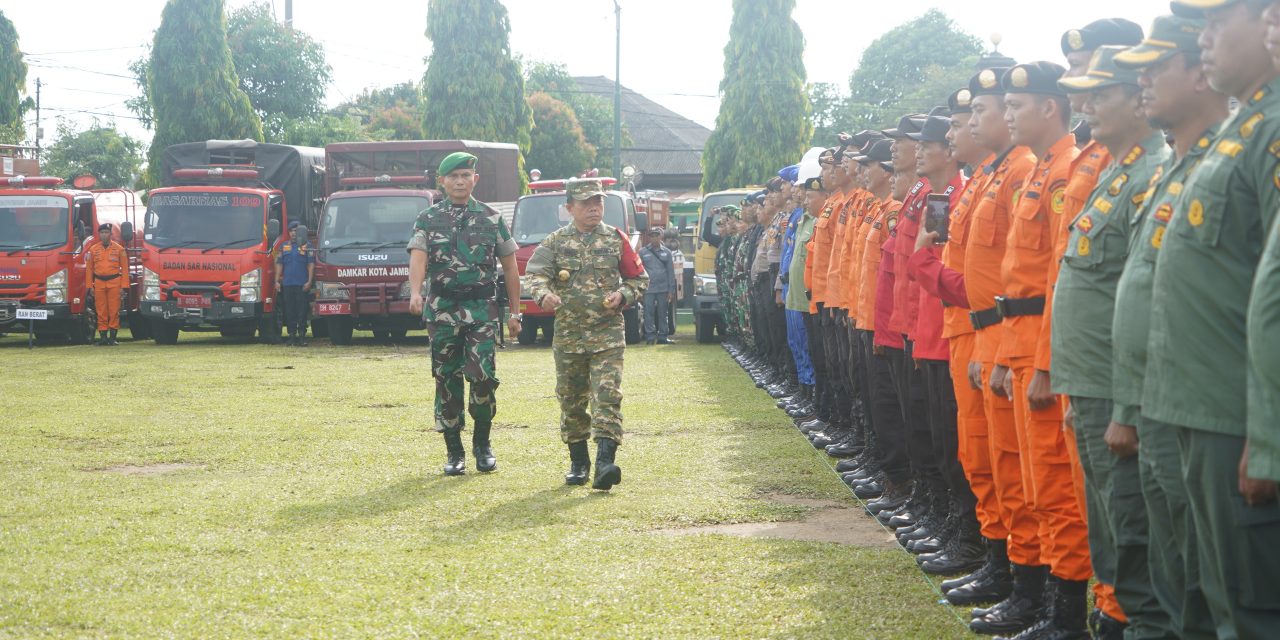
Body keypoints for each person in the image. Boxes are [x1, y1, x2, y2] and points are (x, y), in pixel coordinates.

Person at [1146, 0, 1280, 635]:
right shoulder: (1237, 131)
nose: (1205, 38)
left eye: (1218, 22)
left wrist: (1272, 436)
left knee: (1249, 609)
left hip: (1239, 417)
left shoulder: (1271, 131)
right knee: (1209, 595)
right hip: (1198, 410)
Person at [1056, 45, 1172, 639]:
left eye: (1102, 93)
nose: (1087, 103)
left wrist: (1126, 408)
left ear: (1136, 97)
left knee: (1133, 544)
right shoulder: (1116, 172)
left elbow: (1146, 304)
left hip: (1120, 395)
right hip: (1093, 386)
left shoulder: (1151, 173)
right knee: (1111, 539)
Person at [1112, 15, 1223, 637]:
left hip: (1208, 410)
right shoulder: (1172, 170)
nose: (1143, 80)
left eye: (1158, 67)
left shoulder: (1231, 157)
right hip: (1156, 399)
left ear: (1200, 70)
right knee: (1170, 566)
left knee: (1216, 587)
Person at [993, 61, 1091, 638]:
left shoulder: (1064, 172)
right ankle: (1040, 599)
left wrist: (1046, 361)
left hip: (1047, 345)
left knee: (1055, 485)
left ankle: (1066, 615)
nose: (1007, 115)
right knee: (1030, 481)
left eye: (1015, 104)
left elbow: (1059, 279)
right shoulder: (1042, 172)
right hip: (1021, 338)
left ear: (1049, 108)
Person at [524, 178, 649, 490]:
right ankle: (579, 461)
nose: (594, 208)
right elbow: (535, 275)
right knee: (572, 400)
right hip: (569, 336)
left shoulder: (615, 239)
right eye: (585, 203)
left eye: (598, 202)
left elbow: (639, 279)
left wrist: (623, 294)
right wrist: (544, 295)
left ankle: (606, 462)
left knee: (607, 396)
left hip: (607, 335)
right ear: (569, 209)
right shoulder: (555, 242)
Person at [407, 152, 523, 476]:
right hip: (442, 310)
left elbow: (511, 267)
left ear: (475, 179)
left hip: (481, 311)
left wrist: (516, 313)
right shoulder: (427, 219)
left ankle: (483, 444)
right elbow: (418, 256)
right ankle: (454, 451)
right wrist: (415, 292)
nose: (460, 181)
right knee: (447, 379)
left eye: (466, 175)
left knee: (483, 376)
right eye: (454, 176)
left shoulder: (491, 217)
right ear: (442, 181)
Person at [85, 223, 127, 346]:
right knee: (100, 310)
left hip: (114, 282)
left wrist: (123, 287)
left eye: (106, 232)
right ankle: (103, 337)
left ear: (111, 234)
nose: (104, 235)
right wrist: (89, 286)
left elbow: (124, 269)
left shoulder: (119, 249)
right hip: (99, 283)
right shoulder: (93, 250)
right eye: (102, 232)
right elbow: (89, 269)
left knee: (114, 310)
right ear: (99, 234)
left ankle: (113, 338)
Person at [275, 222, 314, 347]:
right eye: (291, 230)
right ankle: (292, 336)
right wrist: (276, 280)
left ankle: (302, 336)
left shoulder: (307, 246)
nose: (293, 233)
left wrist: (309, 281)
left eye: (296, 230)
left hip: (301, 284)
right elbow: (279, 263)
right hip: (287, 284)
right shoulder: (284, 246)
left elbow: (311, 264)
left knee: (302, 311)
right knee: (290, 311)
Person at [638, 227, 676, 345]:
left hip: (663, 288)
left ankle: (663, 336)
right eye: (652, 236)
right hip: (649, 288)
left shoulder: (667, 252)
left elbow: (670, 272)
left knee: (663, 312)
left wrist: (671, 290)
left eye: (656, 235)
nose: (654, 238)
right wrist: (640, 289)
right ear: (649, 237)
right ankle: (650, 336)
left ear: (661, 236)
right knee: (648, 312)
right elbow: (639, 272)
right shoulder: (643, 252)